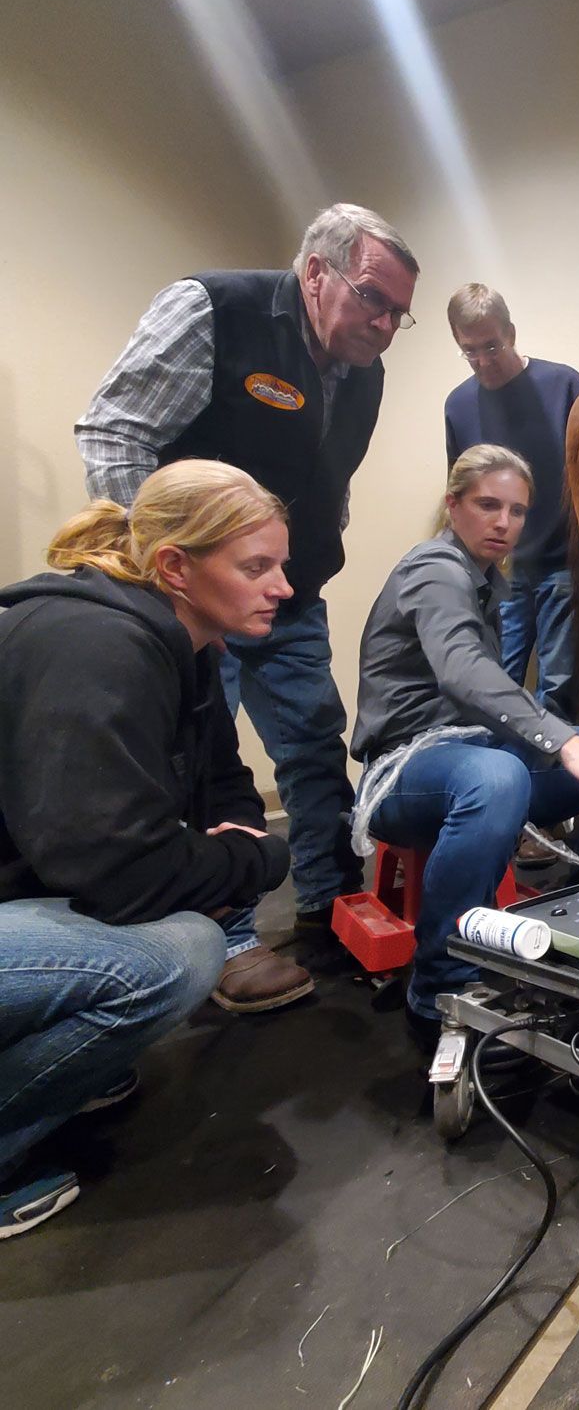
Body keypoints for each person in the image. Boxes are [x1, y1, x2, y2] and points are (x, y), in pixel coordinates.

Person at [76, 203, 420, 1009]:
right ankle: (223, 940)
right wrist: (169, 580)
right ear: (314, 272)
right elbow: (114, 432)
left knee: (311, 742)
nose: (385, 323)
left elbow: (326, 479)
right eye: (373, 297)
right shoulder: (213, 308)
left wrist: (310, 553)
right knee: (197, 767)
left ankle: (332, 904)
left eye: (399, 313)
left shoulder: (365, 372)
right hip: (191, 600)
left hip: (288, 596)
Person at [0, 461, 292, 1237]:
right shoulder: (98, 646)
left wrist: (226, 847)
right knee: (179, 954)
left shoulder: (185, 646)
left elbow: (227, 787)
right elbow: (124, 873)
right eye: (256, 566)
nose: (282, 586)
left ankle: (56, 1073)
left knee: (177, 923)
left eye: (280, 564)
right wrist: (255, 861)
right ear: (175, 566)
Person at [351, 445, 579, 1050]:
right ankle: (441, 983)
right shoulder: (434, 568)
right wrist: (565, 743)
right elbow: (464, 671)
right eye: (487, 505)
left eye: (517, 511)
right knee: (497, 778)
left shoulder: (489, 582)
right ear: (452, 505)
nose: (503, 523)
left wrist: (575, 746)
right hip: (405, 768)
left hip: (474, 753)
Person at [445, 285, 579, 866]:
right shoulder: (458, 405)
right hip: (498, 572)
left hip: (559, 563)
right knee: (492, 688)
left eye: (492, 346)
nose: (483, 361)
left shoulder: (564, 386)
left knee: (556, 687)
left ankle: (546, 818)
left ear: (512, 332)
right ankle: (504, 811)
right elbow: (459, 489)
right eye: (469, 351)